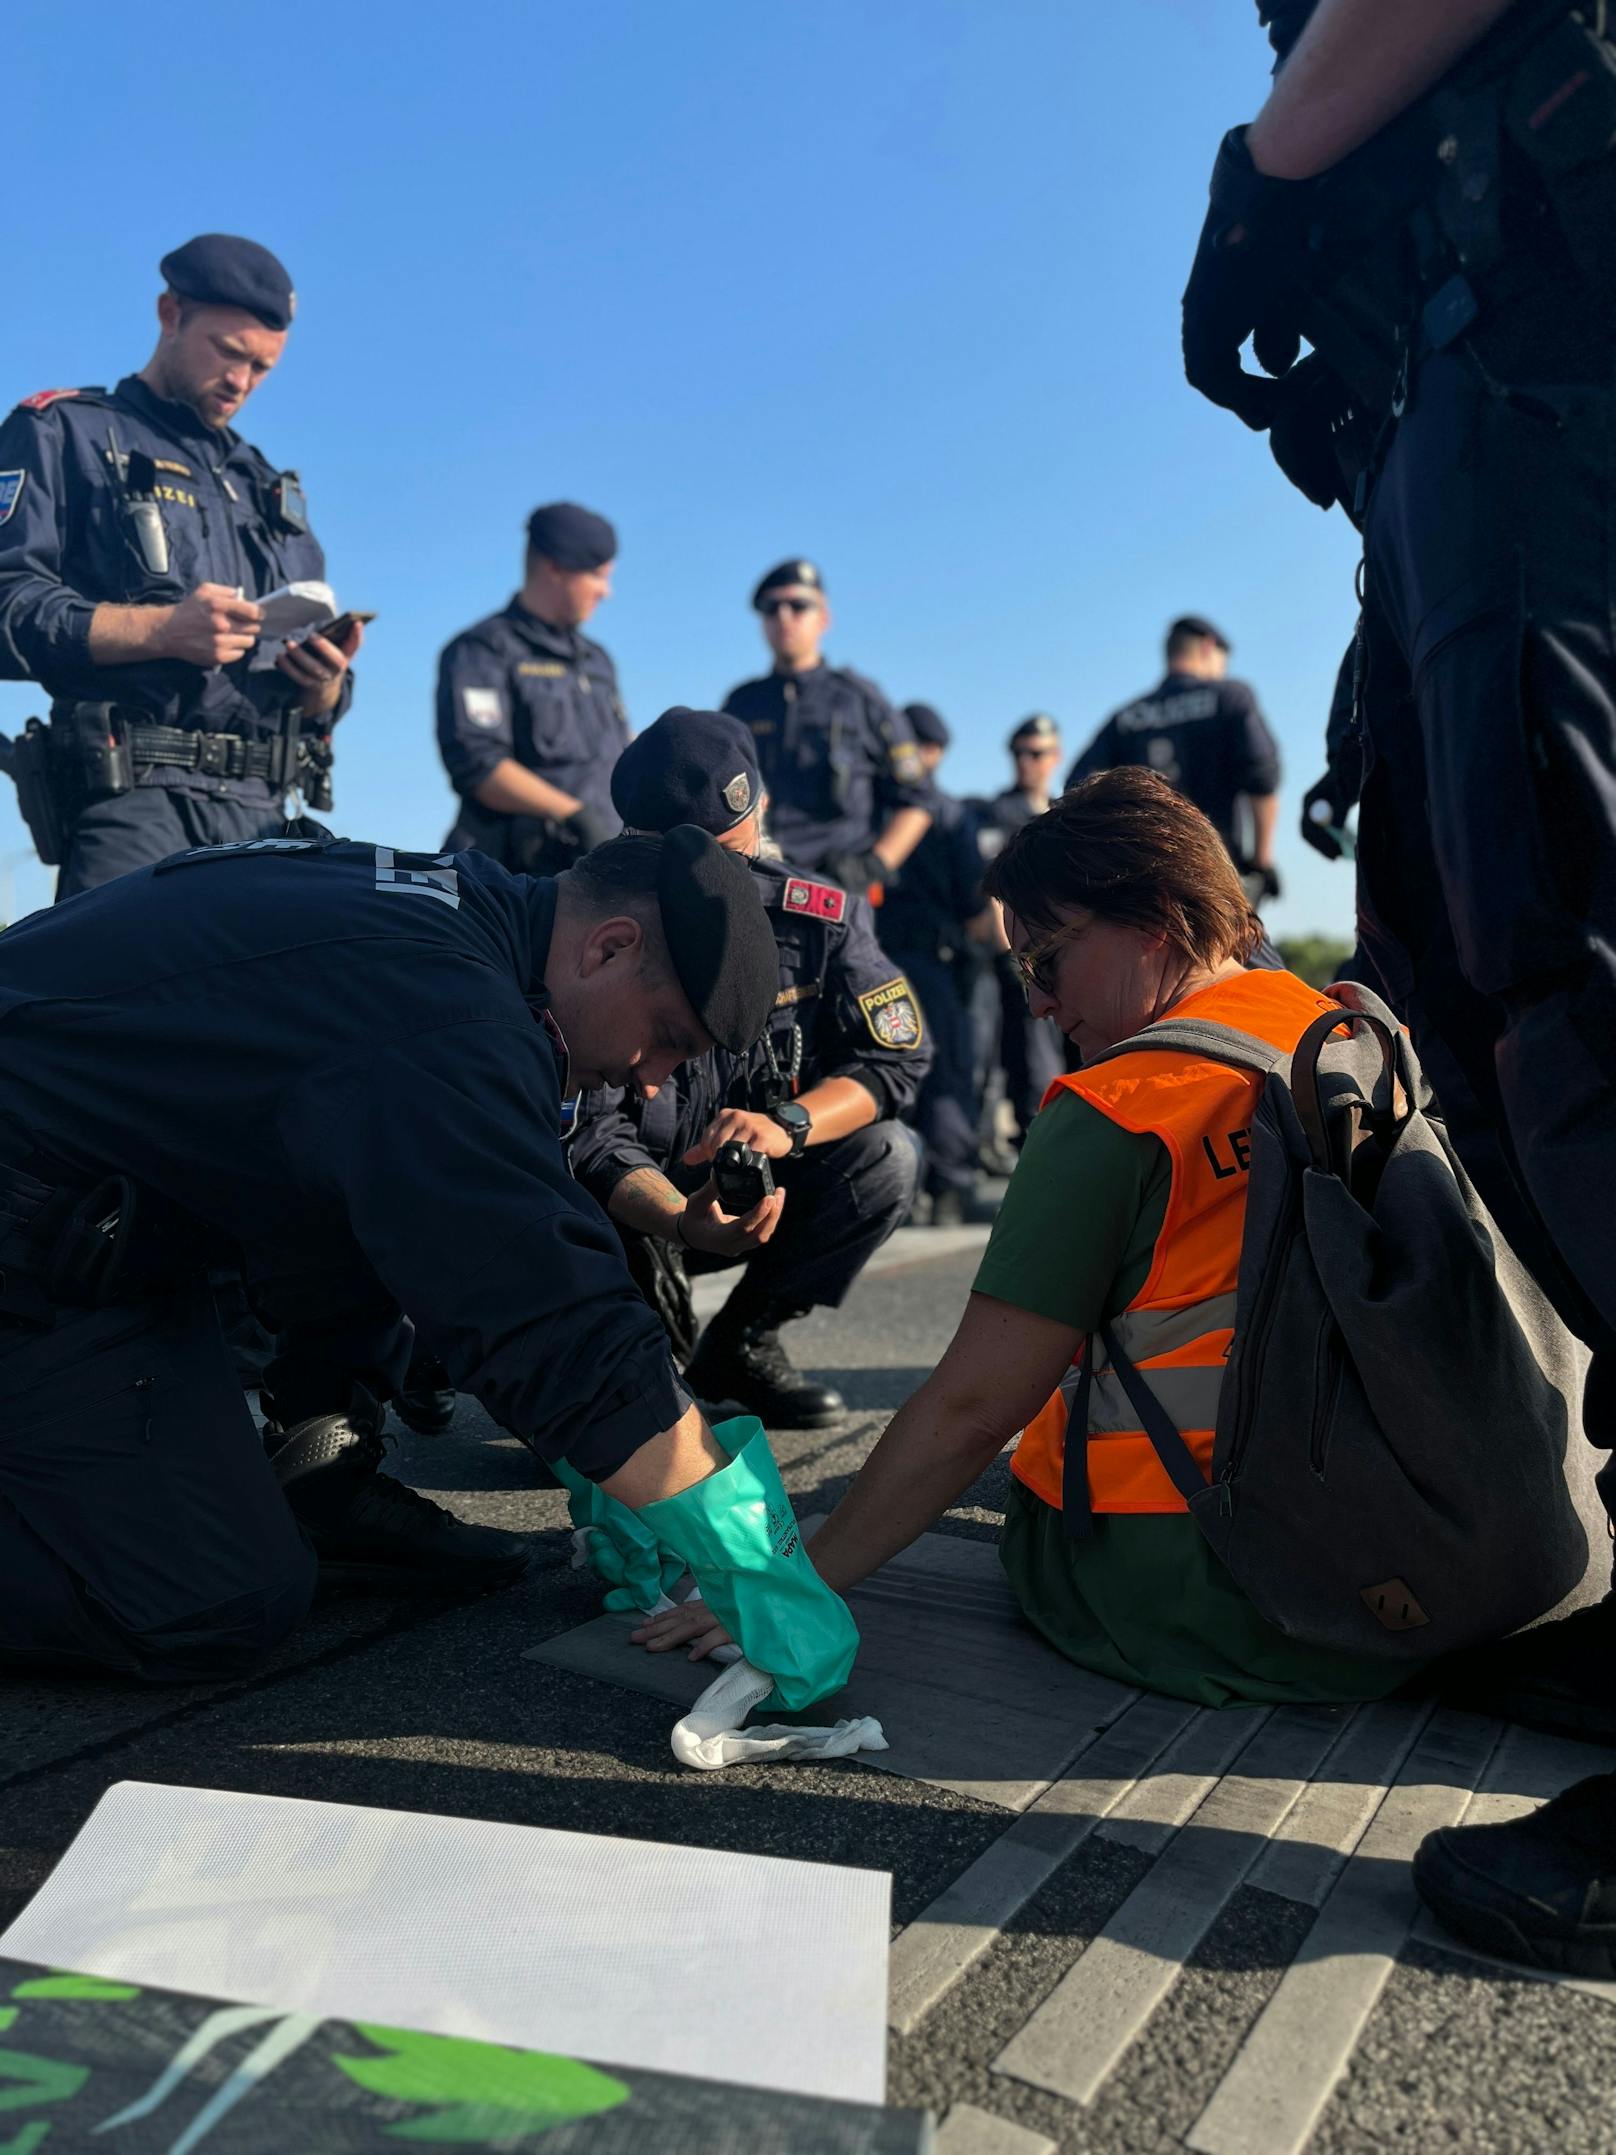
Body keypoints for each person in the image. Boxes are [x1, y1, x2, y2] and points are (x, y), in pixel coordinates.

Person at [1181, 0, 1616, 1975]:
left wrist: (1266, 172)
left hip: (1563, 341)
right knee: (1486, 1001)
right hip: (1475, 381)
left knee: (1586, 1008)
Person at [0, 823, 863, 1698]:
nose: (651, 1081)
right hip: (34, 1246)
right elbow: (535, 1293)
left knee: (367, 1197)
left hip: (92, 1210)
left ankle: (319, 1481)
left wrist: (612, 1439)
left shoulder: (458, 910)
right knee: (207, 1601)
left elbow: (479, 1211)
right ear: (610, 946)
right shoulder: (442, 1006)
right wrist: (739, 1542)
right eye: (668, 1038)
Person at [634, 769, 1402, 1706]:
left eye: (1045, 962)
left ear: (1153, 922)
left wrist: (794, 1575)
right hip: (1402, 1539)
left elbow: (969, 1411)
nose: (1035, 1003)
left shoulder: (1117, 1106)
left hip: (1212, 1586)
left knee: (1019, 1472)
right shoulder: (1354, 1034)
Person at [570, 708, 929, 1425]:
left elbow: (897, 1059)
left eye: (734, 857)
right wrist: (677, 1220)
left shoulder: (818, 915)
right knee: (629, 1424)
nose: (719, 888)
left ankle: (742, 1343)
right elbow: (581, 1133)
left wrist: (786, 1125)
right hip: (621, 1201)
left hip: (753, 1181)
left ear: (760, 812)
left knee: (888, 1156)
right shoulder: (593, 919)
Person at [0, 235, 361, 898]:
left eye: (262, 368)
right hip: (136, 805)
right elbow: (7, 610)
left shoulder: (267, 487)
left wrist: (325, 689)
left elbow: (314, 702)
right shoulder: (64, 433)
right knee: (109, 1002)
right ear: (170, 312)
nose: (242, 382)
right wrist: (165, 630)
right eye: (228, 353)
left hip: (264, 818)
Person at [436, 501, 628, 873]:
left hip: (597, 870)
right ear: (556, 568)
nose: (607, 592)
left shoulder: (597, 660)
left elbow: (616, 749)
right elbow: (479, 766)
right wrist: (574, 815)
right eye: (599, 576)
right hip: (513, 878)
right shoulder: (484, 650)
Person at [721, 559, 932, 891]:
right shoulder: (742, 704)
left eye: (798, 605)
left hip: (836, 895)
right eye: (771, 608)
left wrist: (873, 866)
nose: (783, 616)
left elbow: (918, 800)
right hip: (757, 889)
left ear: (824, 618)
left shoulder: (859, 700)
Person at [878, 703, 1001, 1225]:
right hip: (932, 963)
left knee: (885, 1072)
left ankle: (896, 1189)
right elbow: (978, 909)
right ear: (933, 752)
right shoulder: (947, 814)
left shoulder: (868, 807)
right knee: (947, 1069)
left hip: (871, 963)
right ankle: (949, 1188)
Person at [1065, 617, 1282, 902]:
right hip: (1214, 873)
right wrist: (1260, 864)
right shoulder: (1229, 696)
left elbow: (1078, 789)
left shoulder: (1125, 718)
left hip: (1141, 880)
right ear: (1207, 647)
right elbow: (1262, 777)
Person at [971, 715, 1067, 1156]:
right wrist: (1014, 957)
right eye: (1019, 753)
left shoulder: (1065, 812)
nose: (1027, 762)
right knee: (1029, 1057)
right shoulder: (1000, 813)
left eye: (1036, 753)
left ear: (1055, 757)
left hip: (1068, 952)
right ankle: (1036, 1141)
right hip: (1022, 959)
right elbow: (993, 888)